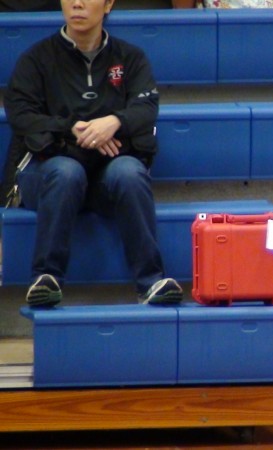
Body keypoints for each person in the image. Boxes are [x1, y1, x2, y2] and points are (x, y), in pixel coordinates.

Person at [3, 0, 183, 307]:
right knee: (66, 172)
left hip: (107, 178)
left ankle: (151, 281)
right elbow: (21, 115)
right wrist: (74, 129)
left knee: (129, 172)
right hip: (47, 175)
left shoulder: (130, 58)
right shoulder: (36, 59)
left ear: (108, 4)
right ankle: (46, 278)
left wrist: (114, 123)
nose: (77, 3)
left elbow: (146, 109)